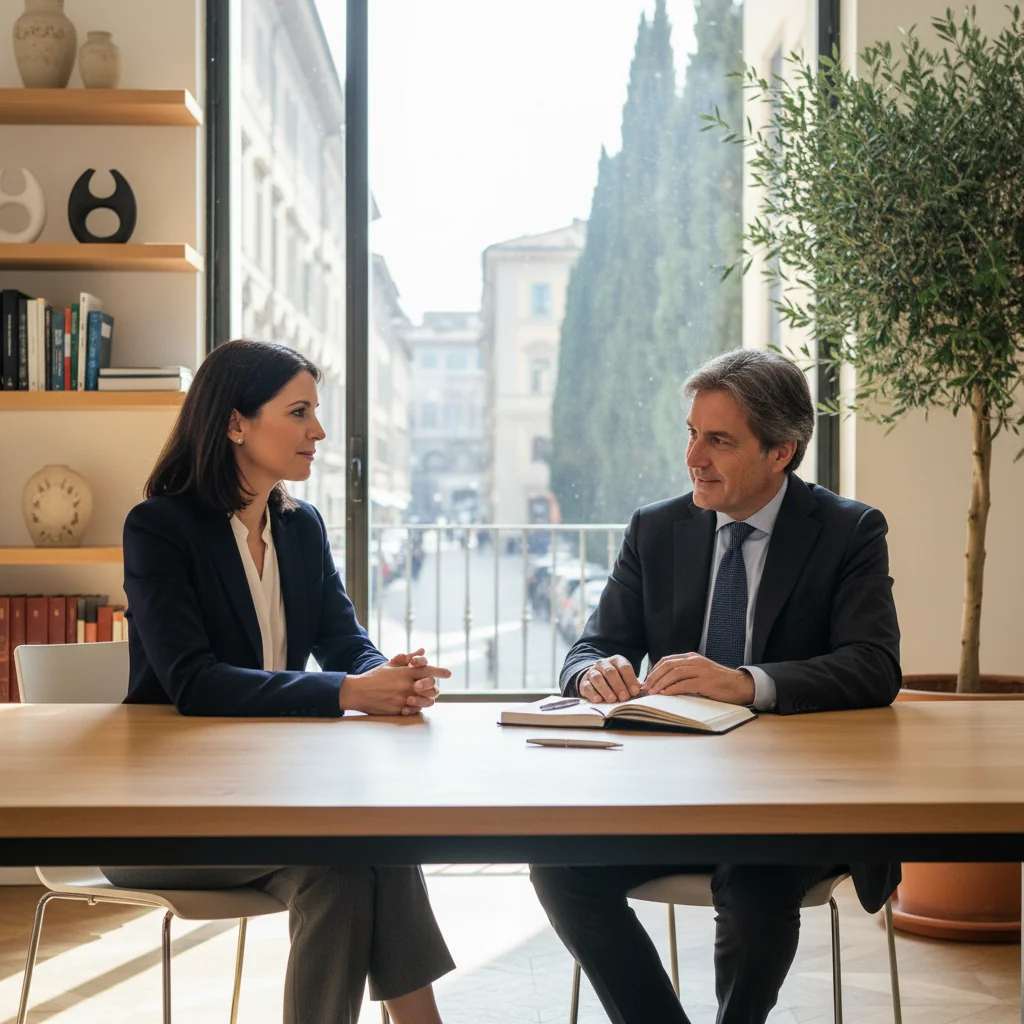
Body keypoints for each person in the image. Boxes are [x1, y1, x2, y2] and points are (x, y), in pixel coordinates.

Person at [530, 348, 902, 1024]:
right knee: (559, 866)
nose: (694, 456)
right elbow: (591, 645)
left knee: (756, 881)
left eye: (719, 440)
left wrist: (747, 683)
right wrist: (594, 672)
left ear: (781, 451)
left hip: (795, 803)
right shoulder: (657, 527)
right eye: (692, 433)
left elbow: (874, 666)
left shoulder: (849, 531)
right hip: (674, 793)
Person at [104, 339, 455, 1024]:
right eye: (298, 412)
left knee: (364, 854)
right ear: (236, 423)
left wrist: (387, 677)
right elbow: (194, 684)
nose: (318, 432)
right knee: (345, 861)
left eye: (315, 413)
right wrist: (350, 694)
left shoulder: (300, 527)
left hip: (275, 798)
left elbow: (343, 641)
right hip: (166, 813)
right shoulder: (160, 529)